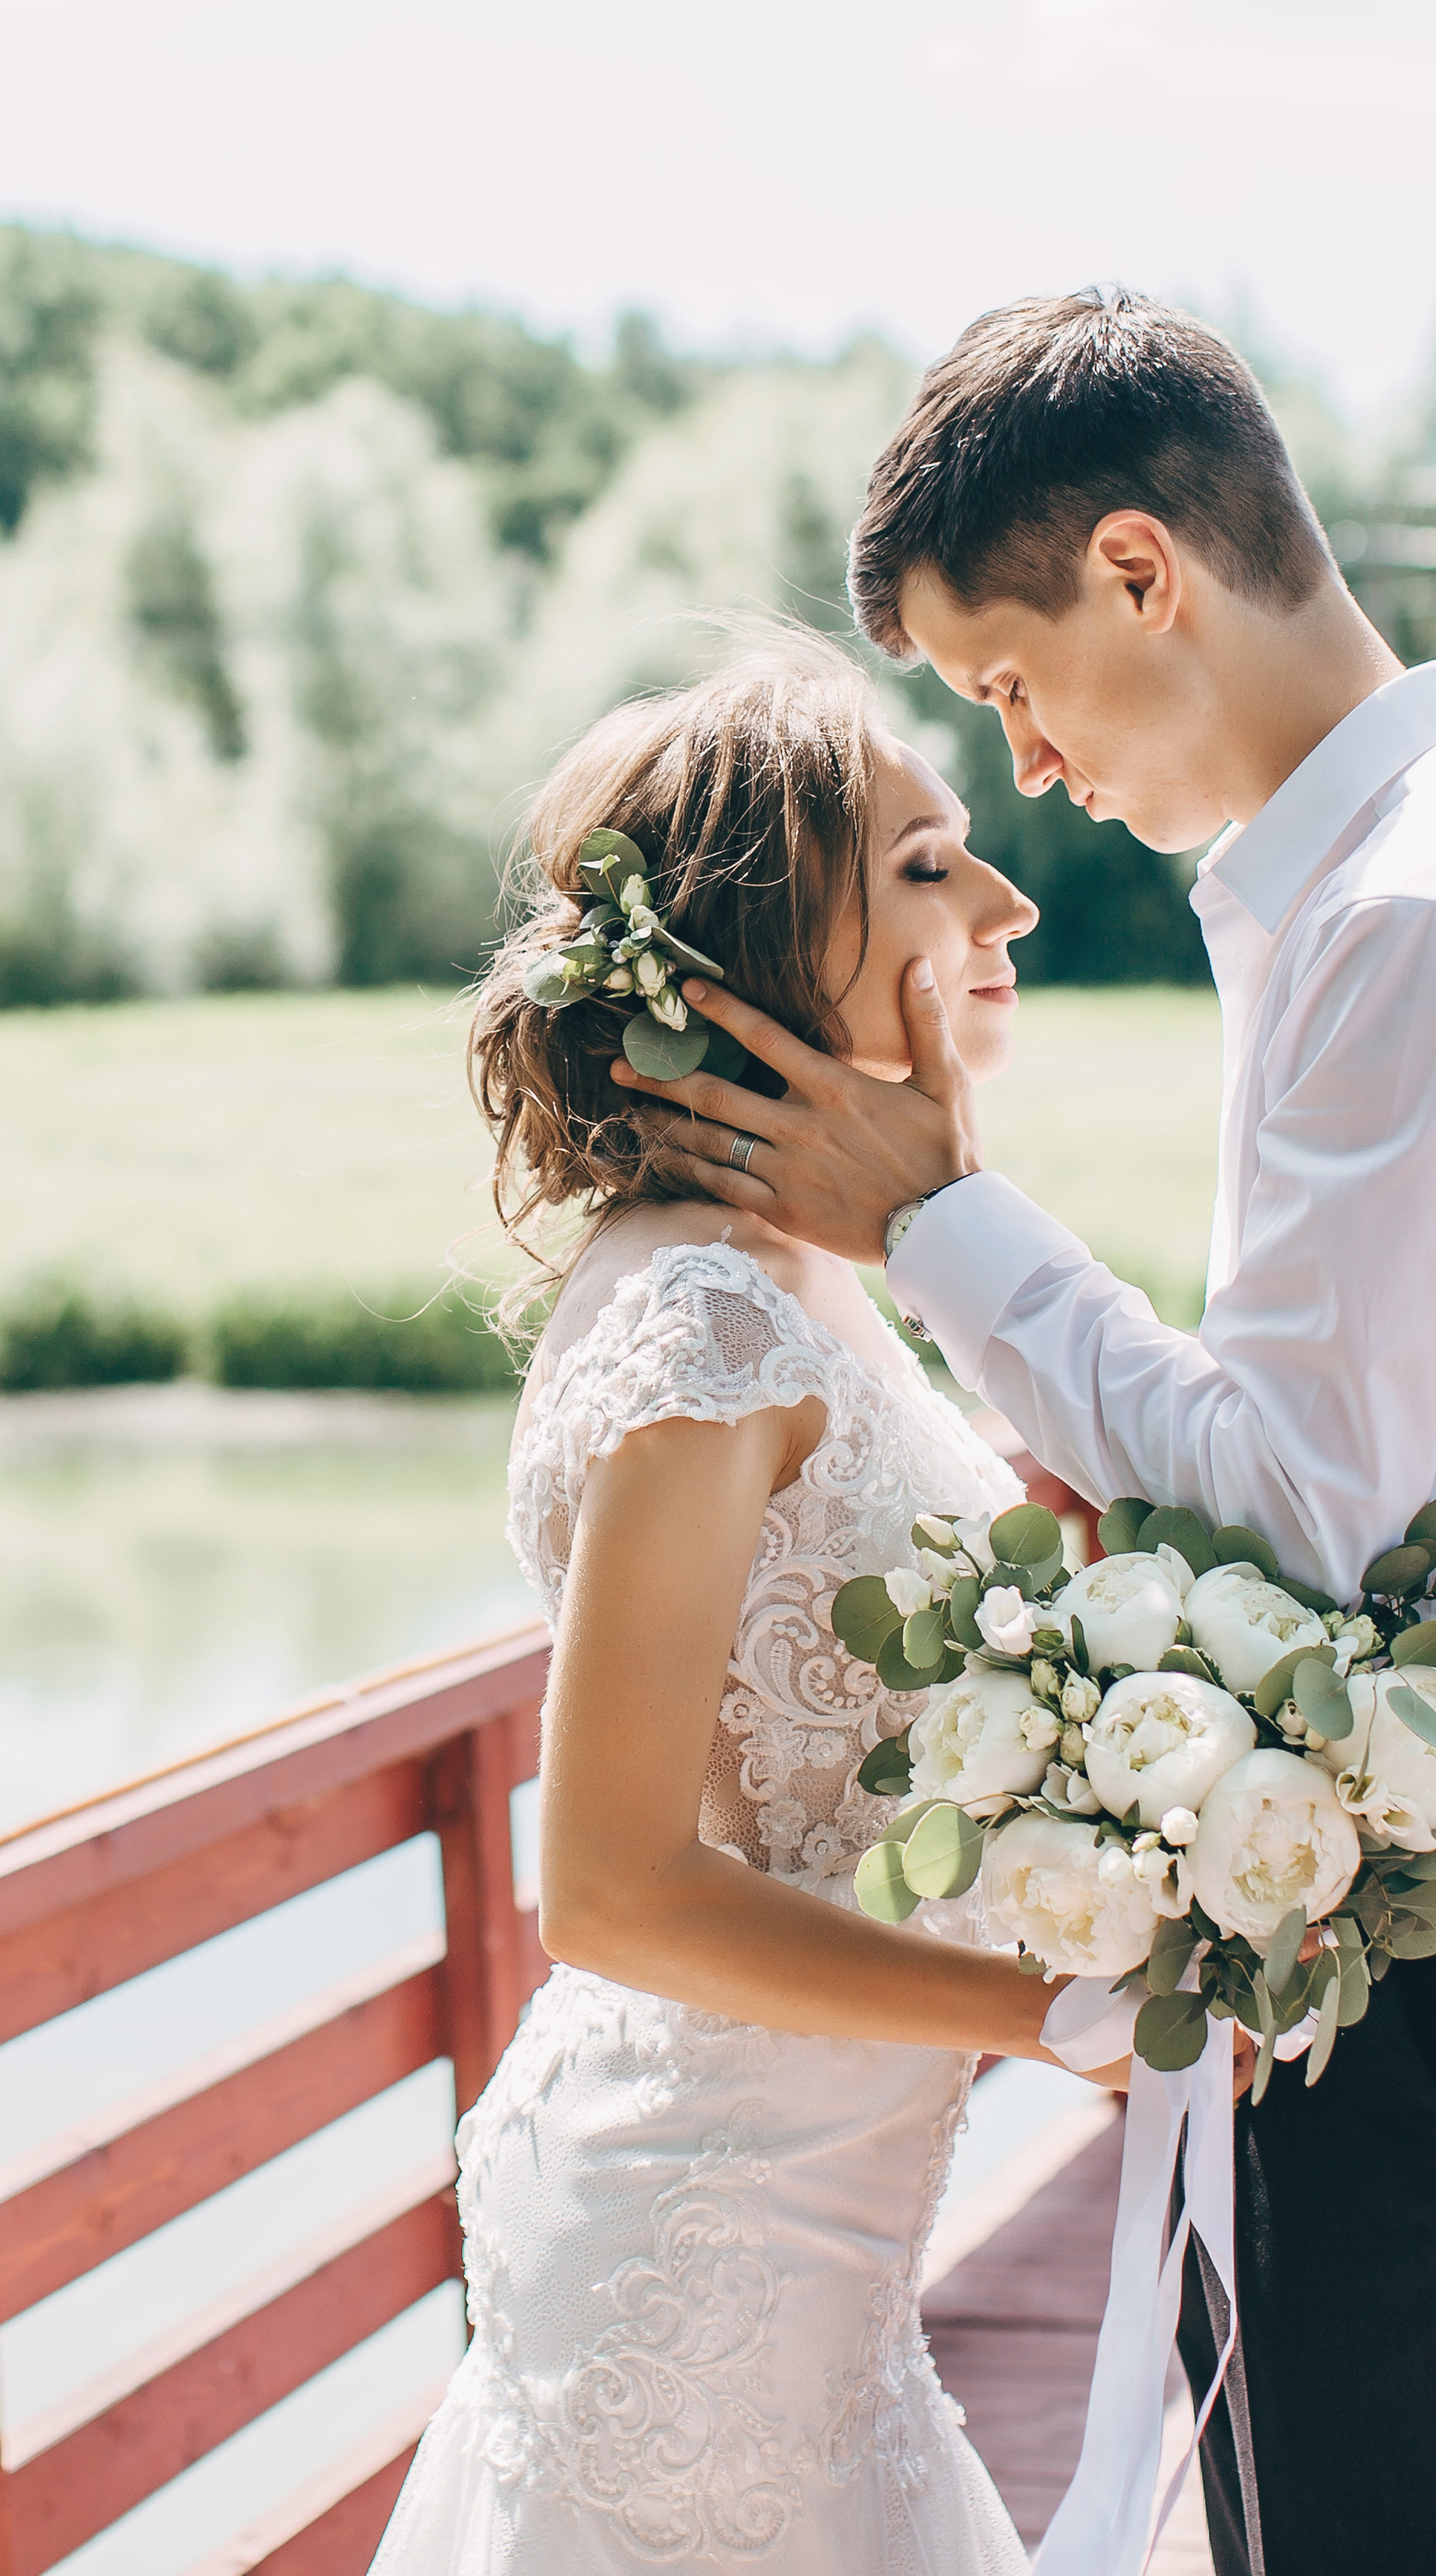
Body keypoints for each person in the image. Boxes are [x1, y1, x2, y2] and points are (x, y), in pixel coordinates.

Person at [611, 289, 1436, 2576]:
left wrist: (939, 1223)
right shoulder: (1371, 900)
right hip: (1411, 1908)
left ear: (1139, 572)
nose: (1018, 769)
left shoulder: (1426, 925)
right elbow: (1341, 1462)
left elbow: (1300, 1503)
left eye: (1006, 686)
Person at [369, 646, 1068, 2576]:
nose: (1007, 901)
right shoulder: (703, 1325)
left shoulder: (797, 1278)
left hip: (807, 2239)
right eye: (933, 864)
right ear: (761, 953)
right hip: (704, 2254)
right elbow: (606, 1887)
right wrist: (1059, 2015)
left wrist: (949, 1207)